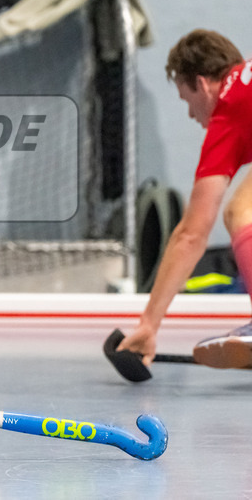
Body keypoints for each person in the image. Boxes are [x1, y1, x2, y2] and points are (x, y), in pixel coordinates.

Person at [117, 29, 252, 369]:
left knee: (241, 211)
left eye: (186, 99)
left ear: (203, 85)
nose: (192, 115)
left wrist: (149, 323)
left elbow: (191, 235)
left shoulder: (230, 108)